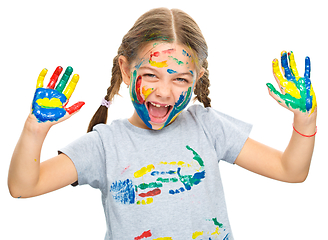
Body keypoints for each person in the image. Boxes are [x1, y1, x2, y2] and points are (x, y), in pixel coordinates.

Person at [8, 7, 317, 240]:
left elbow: (291, 171)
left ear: (196, 80)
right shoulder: (105, 145)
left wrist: (306, 119)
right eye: (152, 75)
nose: (164, 91)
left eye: (180, 79)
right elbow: (23, 187)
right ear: (126, 71)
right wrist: (35, 130)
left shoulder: (208, 127)